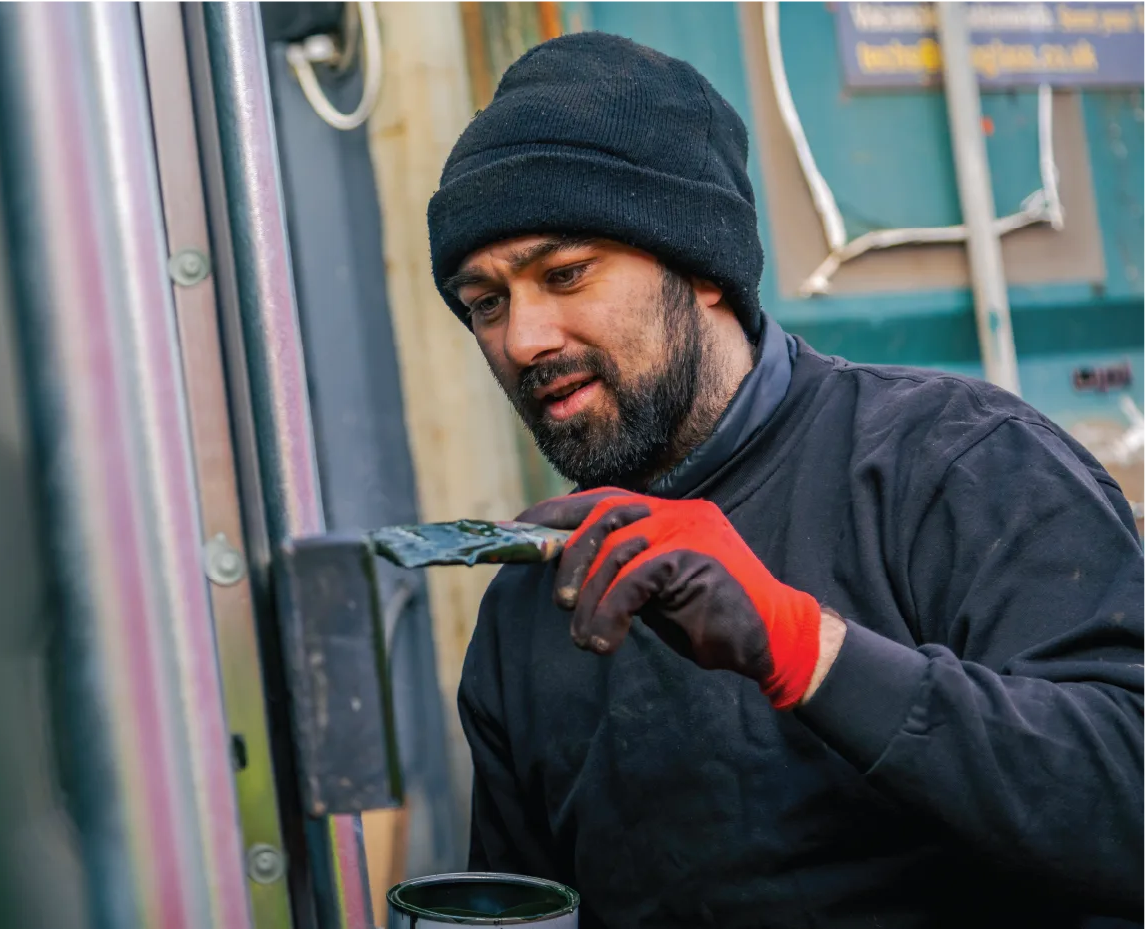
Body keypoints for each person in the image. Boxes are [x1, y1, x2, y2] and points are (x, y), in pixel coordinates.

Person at [425, 31, 1145, 928]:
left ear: (703, 268)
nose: (523, 338)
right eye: (485, 301)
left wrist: (806, 649)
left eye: (564, 273)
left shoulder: (958, 462)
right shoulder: (531, 609)